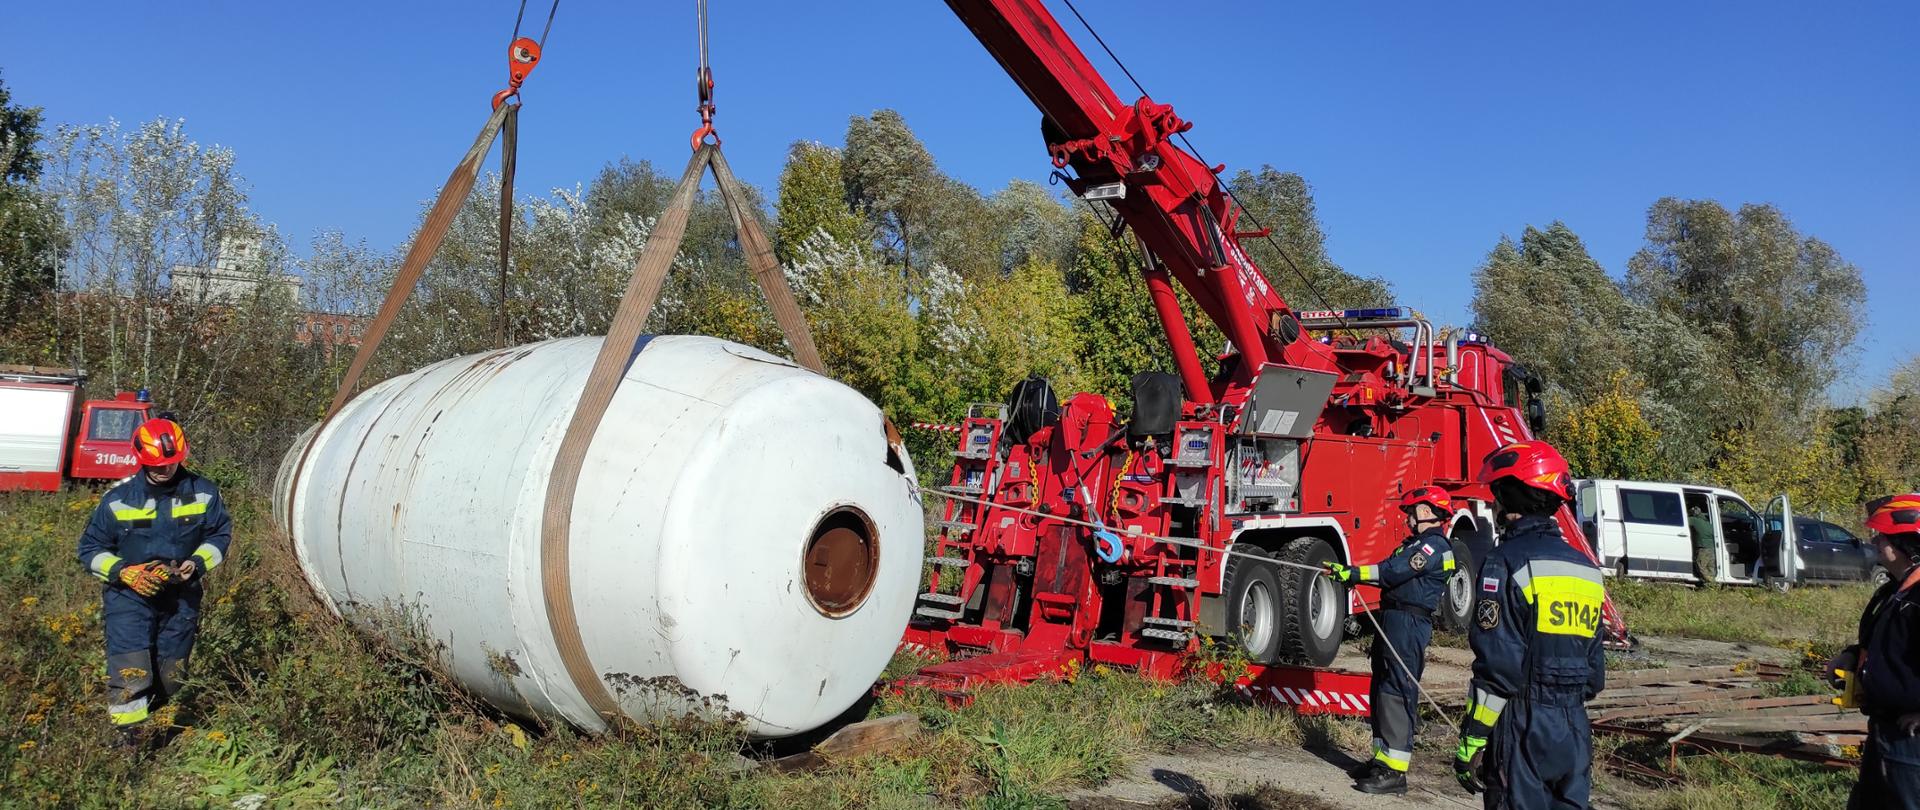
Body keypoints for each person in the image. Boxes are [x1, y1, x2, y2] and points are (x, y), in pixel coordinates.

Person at [1455, 441, 1606, 809]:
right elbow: (1594, 675)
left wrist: (1474, 737)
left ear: (1513, 496)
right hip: (1574, 728)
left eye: (1498, 493)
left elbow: (1499, 668)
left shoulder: (1505, 562)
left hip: (1524, 725)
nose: (1495, 503)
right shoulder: (1587, 570)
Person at [76, 418, 231, 748]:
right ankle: (128, 746)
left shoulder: (204, 493)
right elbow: (89, 549)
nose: (164, 469)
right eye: (157, 464)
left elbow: (219, 535)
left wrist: (197, 563)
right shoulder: (118, 500)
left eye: (170, 463)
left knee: (171, 674)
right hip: (129, 598)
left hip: (181, 597)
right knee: (131, 671)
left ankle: (155, 732)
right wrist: (123, 572)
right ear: (141, 459)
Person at [1327, 485, 1457, 795]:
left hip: (1408, 624)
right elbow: (1391, 570)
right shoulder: (1417, 545)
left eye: (1411, 513)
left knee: (1397, 691)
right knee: (1383, 689)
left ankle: (1395, 772)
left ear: (1425, 512)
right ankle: (1382, 760)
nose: (1407, 519)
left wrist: (1353, 573)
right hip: (1395, 619)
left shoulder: (1432, 547)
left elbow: (1393, 572)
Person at [1830, 493, 1920, 808]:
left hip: (1911, 739)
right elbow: (1884, 643)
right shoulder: (1894, 592)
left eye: (1882, 535)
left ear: (1905, 544)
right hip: (1883, 729)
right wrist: (1851, 656)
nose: (1875, 541)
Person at [1688, 505, 1717, 585]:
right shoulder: (1708, 523)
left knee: (1700, 565)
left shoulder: (1694, 520)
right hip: (1711, 548)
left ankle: (1712, 582)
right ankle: (1709, 586)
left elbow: (1683, 520)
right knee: (1710, 567)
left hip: (1703, 548)